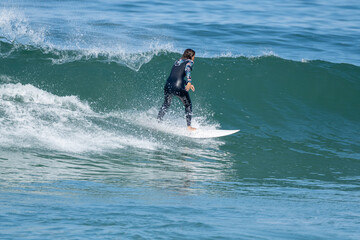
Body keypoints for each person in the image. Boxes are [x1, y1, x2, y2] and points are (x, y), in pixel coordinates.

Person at [157, 49, 196, 131]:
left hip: (168, 85)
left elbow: (176, 76)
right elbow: (187, 69)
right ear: (191, 56)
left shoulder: (177, 61)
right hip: (178, 86)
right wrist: (189, 81)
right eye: (194, 57)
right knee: (188, 105)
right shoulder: (189, 62)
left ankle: (158, 121)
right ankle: (189, 126)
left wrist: (186, 83)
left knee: (166, 103)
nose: (194, 59)